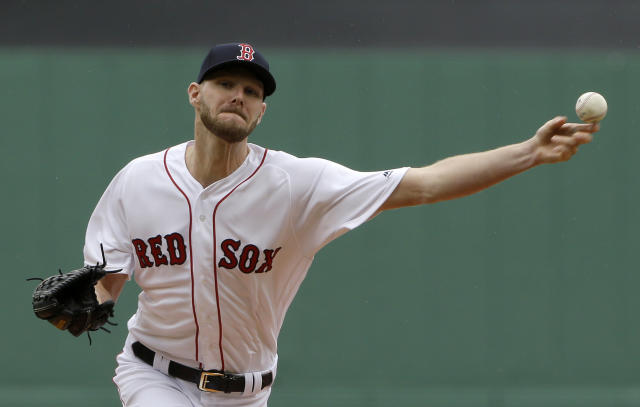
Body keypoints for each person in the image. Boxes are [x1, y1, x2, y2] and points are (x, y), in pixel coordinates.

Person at [85, 43, 598, 407]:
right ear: (195, 93)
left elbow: (426, 184)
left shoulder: (297, 186)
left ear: (262, 111)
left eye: (251, 90)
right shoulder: (139, 180)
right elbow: (108, 276)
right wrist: (96, 302)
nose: (238, 95)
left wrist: (528, 152)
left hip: (247, 391)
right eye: (225, 84)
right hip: (153, 375)